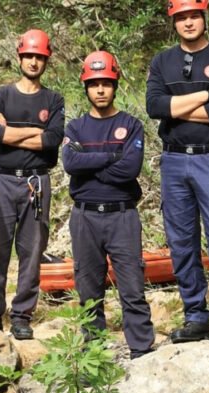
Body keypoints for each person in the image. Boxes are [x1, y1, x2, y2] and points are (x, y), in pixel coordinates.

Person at [146, 0, 209, 360]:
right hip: (174, 161)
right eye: (181, 17)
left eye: (194, 15)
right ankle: (195, 318)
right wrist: (207, 93)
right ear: (173, 21)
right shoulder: (162, 61)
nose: (188, 22)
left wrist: (179, 108)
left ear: (204, 16)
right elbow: (156, 107)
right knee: (182, 244)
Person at [62, 50, 155, 359]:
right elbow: (70, 162)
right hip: (85, 217)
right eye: (93, 84)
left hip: (122, 216)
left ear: (115, 83)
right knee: (89, 291)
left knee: (132, 287)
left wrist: (90, 164)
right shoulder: (75, 128)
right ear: (85, 87)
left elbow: (130, 169)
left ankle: (141, 349)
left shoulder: (131, 125)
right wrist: (111, 156)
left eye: (105, 83)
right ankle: (95, 354)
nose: (100, 90)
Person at [0, 29, 65, 340]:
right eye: (28, 55)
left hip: (36, 183)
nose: (33, 61)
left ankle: (21, 316)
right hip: (2, 181)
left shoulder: (53, 99)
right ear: (19, 57)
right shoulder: (2, 94)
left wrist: (12, 132)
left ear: (46, 60)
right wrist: (34, 135)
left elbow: (53, 139)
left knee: (32, 252)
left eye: (39, 57)